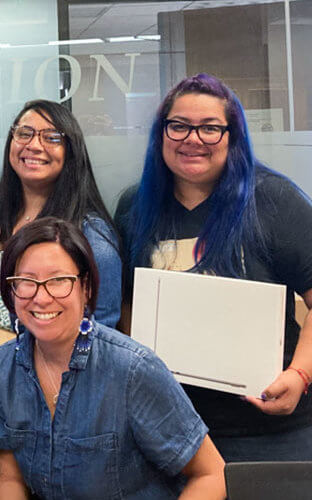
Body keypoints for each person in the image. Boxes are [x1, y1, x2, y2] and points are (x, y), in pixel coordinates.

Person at [115, 73, 312, 462]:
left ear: (232, 137)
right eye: (179, 126)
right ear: (161, 134)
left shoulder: (273, 200)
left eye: (210, 128)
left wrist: (300, 375)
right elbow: (127, 306)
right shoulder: (135, 207)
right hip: (168, 427)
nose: (193, 139)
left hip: (265, 429)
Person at [0, 217, 225, 499]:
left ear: (85, 287)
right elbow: (10, 479)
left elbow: (212, 474)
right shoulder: (5, 365)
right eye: (26, 281)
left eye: (59, 280)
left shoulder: (132, 369)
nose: (41, 297)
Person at [0, 99, 120, 333]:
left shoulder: (91, 234)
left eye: (52, 137)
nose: (34, 145)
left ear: (71, 151)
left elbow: (101, 329)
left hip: (38, 364)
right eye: (24, 133)